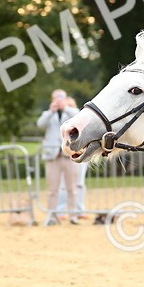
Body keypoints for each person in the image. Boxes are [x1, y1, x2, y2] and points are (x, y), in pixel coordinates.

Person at [37, 89, 84, 225]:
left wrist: (66, 108)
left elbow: (78, 117)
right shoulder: (48, 114)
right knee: (52, 189)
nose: (58, 101)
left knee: (72, 188)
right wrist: (51, 111)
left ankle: (73, 216)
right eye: (56, 98)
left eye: (61, 98)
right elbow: (40, 124)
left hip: (69, 154)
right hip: (52, 156)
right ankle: (52, 216)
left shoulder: (71, 112)